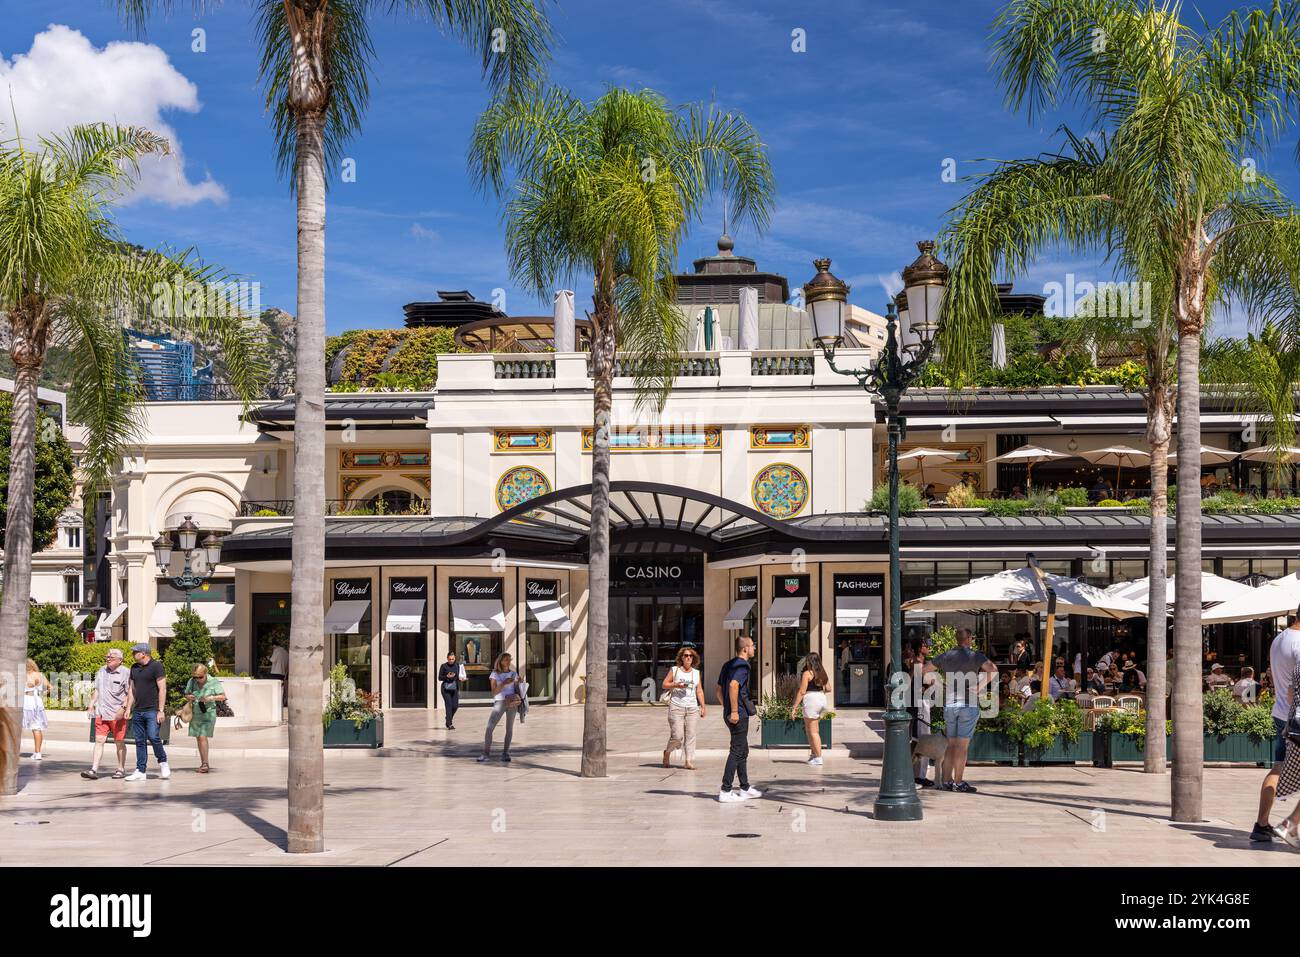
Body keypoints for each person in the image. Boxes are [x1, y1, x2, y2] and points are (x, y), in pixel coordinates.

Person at [925, 627, 998, 793]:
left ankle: (946, 781)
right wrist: (979, 687)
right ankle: (958, 782)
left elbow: (925, 670)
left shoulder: (946, 655)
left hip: (950, 705)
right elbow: (993, 670)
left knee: (951, 745)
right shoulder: (975, 655)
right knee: (962, 746)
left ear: (956, 639)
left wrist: (938, 683)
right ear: (969, 638)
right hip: (967, 704)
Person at [1251, 615, 1300, 844]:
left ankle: (1262, 825)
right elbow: (1295, 687)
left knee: (1278, 768)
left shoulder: (1279, 639)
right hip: (1297, 718)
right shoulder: (1299, 643)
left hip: (1282, 715)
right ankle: (1289, 826)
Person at [715, 635, 760, 802]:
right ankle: (726, 790)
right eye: (753, 645)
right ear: (745, 649)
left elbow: (718, 690)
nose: (754, 648)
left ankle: (745, 787)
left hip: (731, 713)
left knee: (743, 750)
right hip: (738, 715)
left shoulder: (728, 664)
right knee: (736, 750)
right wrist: (734, 710)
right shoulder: (742, 665)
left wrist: (726, 707)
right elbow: (734, 685)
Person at [123, 643, 169, 782]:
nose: (132, 654)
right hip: (138, 710)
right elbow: (132, 689)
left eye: (135, 652)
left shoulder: (157, 666)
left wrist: (160, 710)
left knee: (154, 737)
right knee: (139, 741)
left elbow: (162, 689)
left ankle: (163, 762)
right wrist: (129, 707)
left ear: (143, 653)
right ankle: (141, 770)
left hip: (152, 710)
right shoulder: (134, 668)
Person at [83, 647, 130, 780]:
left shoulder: (126, 673)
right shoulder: (101, 671)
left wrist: (124, 708)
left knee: (119, 741)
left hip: (117, 713)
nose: (108, 658)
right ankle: (94, 769)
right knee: (99, 740)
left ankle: (121, 769)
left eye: (112, 657)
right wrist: (91, 705)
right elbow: (97, 690)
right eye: (107, 656)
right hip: (102, 712)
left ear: (120, 660)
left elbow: (131, 693)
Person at [662, 646, 706, 769]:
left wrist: (703, 706)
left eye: (690, 656)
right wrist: (676, 684)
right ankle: (667, 752)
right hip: (676, 707)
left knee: (691, 734)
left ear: (693, 658)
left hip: (692, 708)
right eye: (685, 655)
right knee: (677, 736)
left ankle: (688, 761)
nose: (688, 658)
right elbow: (664, 684)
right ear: (681, 657)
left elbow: (699, 691)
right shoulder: (675, 670)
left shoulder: (696, 673)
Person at [478, 653, 521, 763]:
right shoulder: (495, 674)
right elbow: (493, 692)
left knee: (509, 728)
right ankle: (486, 753)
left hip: (512, 702)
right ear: (500, 661)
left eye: (509, 660)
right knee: (489, 728)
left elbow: (517, 690)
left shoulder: (514, 674)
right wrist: (503, 684)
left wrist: (519, 683)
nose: (508, 662)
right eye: (506, 660)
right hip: (500, 702)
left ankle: (505, 753)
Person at [183, 664, 226, 773]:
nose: (198, 680)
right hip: (196, 712)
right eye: (195, 677)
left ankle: (205, 764)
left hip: (208, 713)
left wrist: (210, 698)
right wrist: (189, 697)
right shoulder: (192, 681)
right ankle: (204, 762)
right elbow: (186, 694)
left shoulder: (213, 682)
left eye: (200, 677)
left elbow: (223, 696)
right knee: (199, 737)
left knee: (202, 736)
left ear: (205, 674)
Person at [790, 651, 831, 766]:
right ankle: (813, 755)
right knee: (811, 730)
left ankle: (818, 757)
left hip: (811, 700)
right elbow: (828, 688)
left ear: (809, 662)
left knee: (813, 732)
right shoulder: (822, 673)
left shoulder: (807, 674)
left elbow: (802, 691)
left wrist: (794, 707)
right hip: (821, 699)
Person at [22, 659, 50, 761]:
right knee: (37, 727)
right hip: (37, 702)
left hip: (26, 702)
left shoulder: (22, 675)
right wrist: (42, 692)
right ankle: (37, 753)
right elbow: (50, 687)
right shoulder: (39, 675)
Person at [437, 651, 465, 730]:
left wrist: (461, 679)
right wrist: (447, 676)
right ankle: (449, 724)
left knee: (455, 706)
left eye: (453, 659)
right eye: (450, 659)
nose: (451, 661)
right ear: (447, 658)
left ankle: (448, 719)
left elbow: (459, 676)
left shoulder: (457, 666)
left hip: (454, 688)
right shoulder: (443, 666)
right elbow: (439, 677)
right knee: (449, 706)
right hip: (446, 689)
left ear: (455, 658)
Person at [269, 637, 288, 708]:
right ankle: (282, 703)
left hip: (275, 672)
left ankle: (275, 704)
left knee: (275, 688)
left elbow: (273, 660)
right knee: (281, 688)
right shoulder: (285, 652)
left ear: (274, 645)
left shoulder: (276, 650)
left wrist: (268, 658)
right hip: (282, 673)